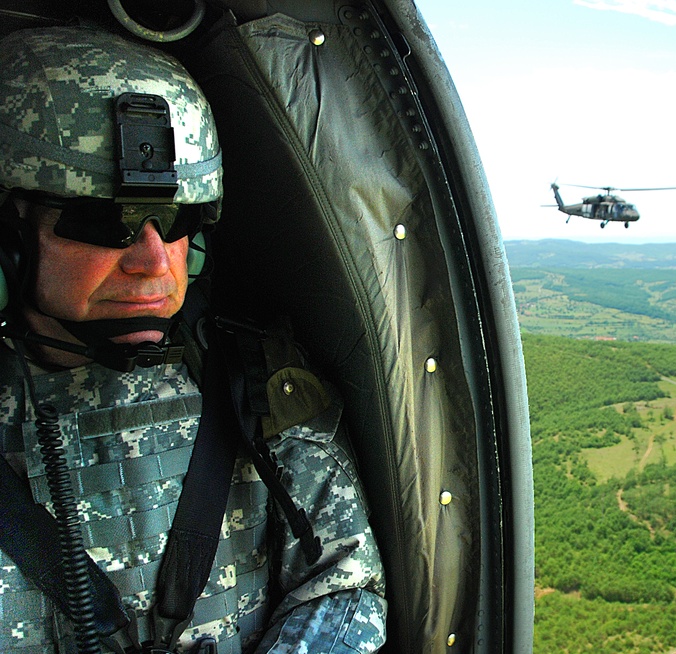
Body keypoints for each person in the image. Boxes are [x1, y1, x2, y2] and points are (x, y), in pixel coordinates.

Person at [0, 25, 386, 653]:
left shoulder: (255, 380)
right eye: (106, 222)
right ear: (9, 244)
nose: (155, 261)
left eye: (176, 220)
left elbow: (343, 582)